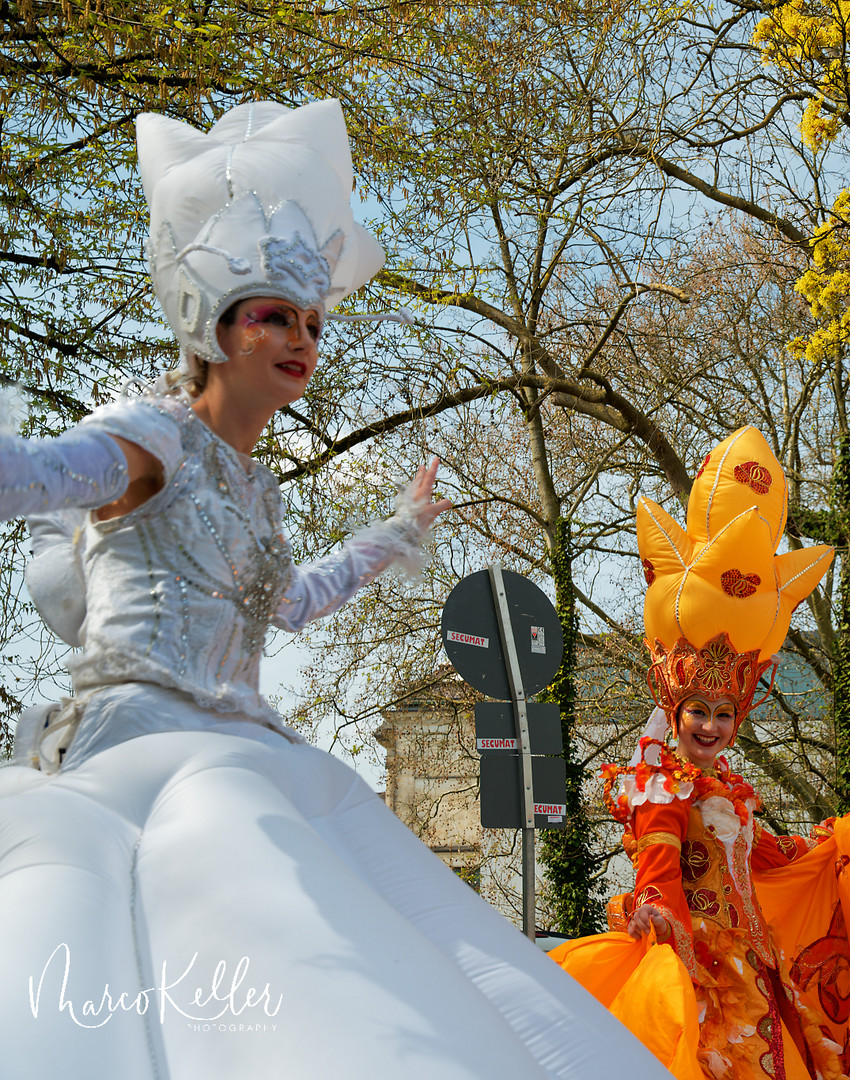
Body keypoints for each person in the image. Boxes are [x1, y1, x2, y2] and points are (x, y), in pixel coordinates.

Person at [0, 99, 672, 1079]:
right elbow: (36, 475)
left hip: (248, 742)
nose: (302, 338)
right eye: (275, 316)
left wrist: (395, 535)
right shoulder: (150, 437)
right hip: (140, 748)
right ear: (213, 323)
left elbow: (293, 603)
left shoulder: (255, 487)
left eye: (312, 321)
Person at [552, 426, 850, 1080]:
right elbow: (657, 852)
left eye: (721, 715)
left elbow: (765, 858)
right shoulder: (665, 784)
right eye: (698, 714)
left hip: (754, 964)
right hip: (704, 970)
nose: (710, 727)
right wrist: (657, 909)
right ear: (676, 714)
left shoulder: (727, 794)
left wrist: (831, 844)